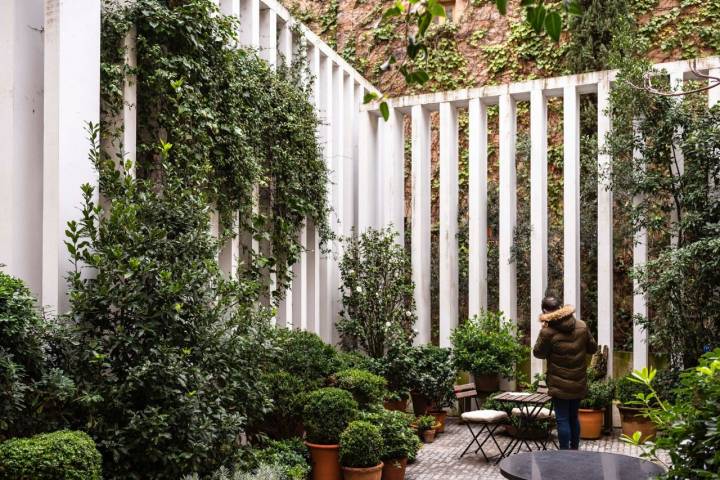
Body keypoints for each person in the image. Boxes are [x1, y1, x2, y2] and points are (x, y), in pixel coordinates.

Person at [532, 293, 597, 450]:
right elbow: (592, 348)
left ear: (545, 311)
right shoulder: (581, 325)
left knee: (562, 419)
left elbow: (538, 353)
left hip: (558, 383)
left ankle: (564, 453)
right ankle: (574, 449)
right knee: (574, 417)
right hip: (579, 381)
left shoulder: (548, 332)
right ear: (561, 308)